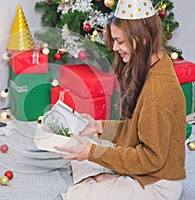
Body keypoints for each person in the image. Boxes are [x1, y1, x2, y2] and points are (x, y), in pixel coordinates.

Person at [54, 0, 186, 199]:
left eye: (119, 41)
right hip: (143, 173)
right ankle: (107, 178)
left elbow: (151, 159)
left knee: (77, 194)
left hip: (156, 184)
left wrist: (92, 152)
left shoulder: (158, 90)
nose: (115, 47)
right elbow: (137, 130)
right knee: (84, 140)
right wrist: (98, 126)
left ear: (140, 39)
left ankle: (104, 179)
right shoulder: (154, 64)